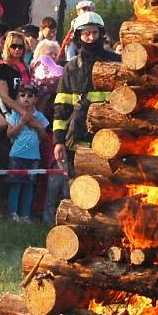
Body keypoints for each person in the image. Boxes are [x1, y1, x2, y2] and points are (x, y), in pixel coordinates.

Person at [49, 12, 119, 223]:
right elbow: (61, 106)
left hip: (108, 140)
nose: (90, 38)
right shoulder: (71, 68)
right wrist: (58, 140)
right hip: (77, 142)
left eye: (94, 33)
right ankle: (81, 230)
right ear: (78, 37)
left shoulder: (115, 63)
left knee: (109, 190)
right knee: (80, 191)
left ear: (102, 34)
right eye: (86, 34)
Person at [6, 84, 48, 223]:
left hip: (33, 156)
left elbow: (44, 137)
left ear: (35, 99)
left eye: (30, 96)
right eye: (22, 95)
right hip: (17, 155)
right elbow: (9, 134)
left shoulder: (39, 116)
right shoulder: (15, 114)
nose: (26, 98)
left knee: (29, 186)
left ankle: (25, 215)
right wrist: (22, 122)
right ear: (18, 98)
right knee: (15, 184)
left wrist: (39, 127)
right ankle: (13, 214)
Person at [0, 32, 30, 116]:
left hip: (24, 108)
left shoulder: (25, 68)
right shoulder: (1, 67)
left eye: (20, 47)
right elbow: (4, 97)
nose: (17, 49)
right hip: (6, 112)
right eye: (14, 46)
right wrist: (22, 113)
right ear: (7, 47)